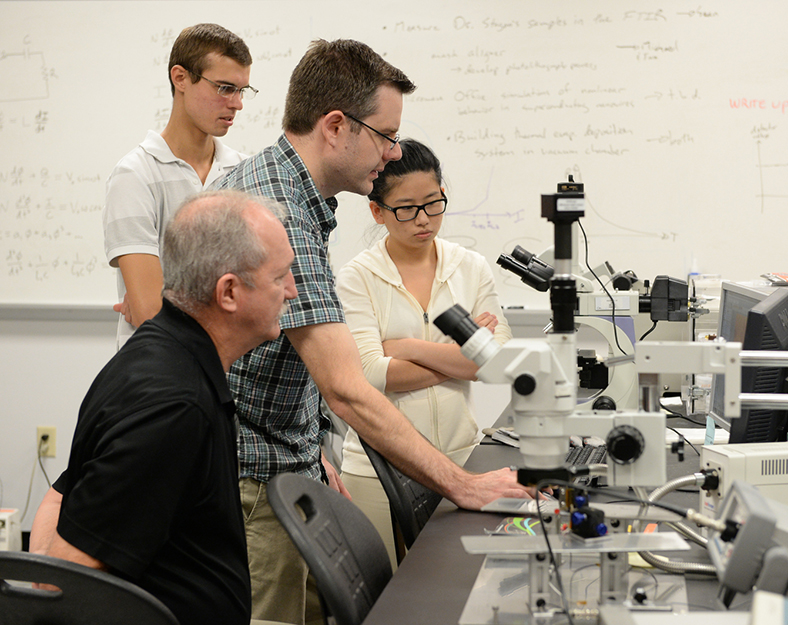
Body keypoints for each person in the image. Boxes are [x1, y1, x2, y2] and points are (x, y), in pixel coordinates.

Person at [214, 39, 531, 624]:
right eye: (386, 135)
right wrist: (462, 485)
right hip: (253, 478)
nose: (392, 153)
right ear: (336, 126)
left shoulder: (288, 193)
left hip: (283, 460)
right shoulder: (281, 212)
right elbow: (351, 386)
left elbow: (284, 358)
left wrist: (310, 449)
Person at [30, 189, 298, 625]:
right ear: (228, 291)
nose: (291, 290)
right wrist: (43, 578)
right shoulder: (175, 406)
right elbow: (63, 584)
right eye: (280, 276)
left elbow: (60, 498)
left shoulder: (156, 352)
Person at [336, 138, 513, 561]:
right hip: (378, 472)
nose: (423, 219)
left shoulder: (469, 266)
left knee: (452, 585)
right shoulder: (357, 277)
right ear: (377, 211)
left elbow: (498, 364)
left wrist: (407, 347)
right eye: (406, 208)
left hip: (463, 460)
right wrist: (461, 358)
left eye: (434, 203)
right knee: (389, 601)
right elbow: (372, 374)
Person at [103, 23, 255, 348]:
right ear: (180, 78)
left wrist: (171, 307)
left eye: (242, 90)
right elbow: (148, 312)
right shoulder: (135, 175)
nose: (237, 103)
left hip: (230, 378)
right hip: (158, 379)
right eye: (225, 88)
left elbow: (262, 298)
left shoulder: (245, 172)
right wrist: (155, 307)